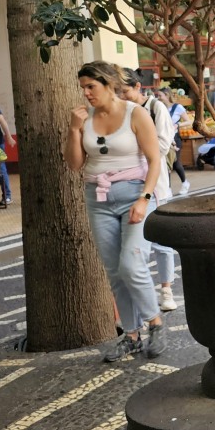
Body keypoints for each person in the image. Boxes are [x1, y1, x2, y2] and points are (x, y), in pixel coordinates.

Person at [63, 61, 167, 361]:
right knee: (115, 272)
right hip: (98, 198)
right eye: (83, 88)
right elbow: (74, 164)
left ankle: (155, 323)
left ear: (109, 84)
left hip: (135, 194)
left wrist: (144, 198)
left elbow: (155, 160)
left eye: (91, 86)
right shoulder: (85, 117)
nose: (86, 93)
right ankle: (131, 335)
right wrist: (74, 129)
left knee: (131, 264)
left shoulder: (136, 113)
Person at [120, 69, 179, 312]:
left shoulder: (156, 108)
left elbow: (163, 145)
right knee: (133, 244)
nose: (121, 96)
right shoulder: (120, 112)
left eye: (124, 91)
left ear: (137, 86)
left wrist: (135, 152)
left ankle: (166, 289)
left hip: (156, 184)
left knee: (162, 241)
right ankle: (141, 294)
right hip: (127, 185)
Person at [156, 88, 190, 196]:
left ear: (166, 95)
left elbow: (188, 121)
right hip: (164, 138)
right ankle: (168, 188)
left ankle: (185, 182)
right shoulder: (160, 107)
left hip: (175, 138)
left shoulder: (177, 107)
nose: (158, 98)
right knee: (166, 164)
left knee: (176, 163)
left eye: (160, 95)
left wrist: (177, 124)